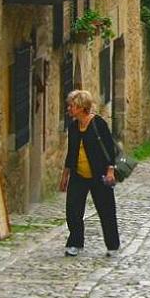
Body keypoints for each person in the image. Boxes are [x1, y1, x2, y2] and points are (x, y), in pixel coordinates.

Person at [60, 90, 121, 257]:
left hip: (99, 174)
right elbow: (71, 152)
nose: (69, 109)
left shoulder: (98, 123)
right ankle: (75, 243)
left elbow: (109, 148)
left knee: (106, 210)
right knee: (73, 210)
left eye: (72, 106)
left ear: (81, 107)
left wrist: (110, 171)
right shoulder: (73, 127)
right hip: (78, 174)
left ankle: (112, 246)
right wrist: (65, 175)